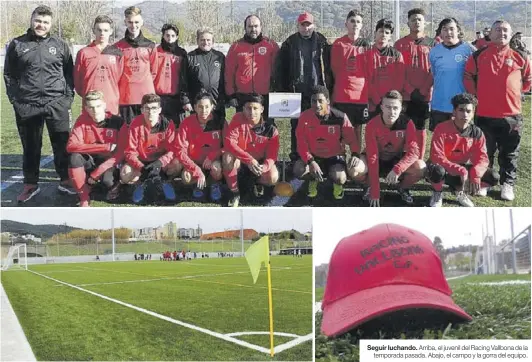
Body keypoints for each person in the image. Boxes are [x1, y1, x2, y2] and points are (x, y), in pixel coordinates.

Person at [4, 5, 75, 203]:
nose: (41, 25)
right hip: (28, 104)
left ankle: (65, 181)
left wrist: (67, 99)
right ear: (31, 20)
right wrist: (16, 101)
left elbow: (69, 73)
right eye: (38, 21)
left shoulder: (60, 45)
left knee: (62, 144)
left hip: (56, 103)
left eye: (45, 22)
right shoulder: (18, 44)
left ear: (50, 24)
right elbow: (9, 76)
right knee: (31, 146)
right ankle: (30, 184)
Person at [464, 20, 531, 201]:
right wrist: (474, 95)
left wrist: (516, 93)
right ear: (490, 34)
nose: (501, 33)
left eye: (505, 30)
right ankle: (486, 182)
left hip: (511, 115)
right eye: (498, 30)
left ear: (510, 35)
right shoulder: (479, 55)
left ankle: (507, 184)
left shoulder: (520, 56)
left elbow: (528, 80)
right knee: (485, 152)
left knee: (510, 153)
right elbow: (468, 75)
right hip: (485, 114)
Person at [274, 12, 332, 160]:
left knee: (320, 123)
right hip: (296, 92)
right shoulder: (290, 42)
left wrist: (329, 89)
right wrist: (282, 90)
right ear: (298, 26)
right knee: (297, 126)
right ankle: (296, 156)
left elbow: (330, 66)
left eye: (308, 24)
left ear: (313, 25)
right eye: (303, 25)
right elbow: (281, 68)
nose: (306, 28)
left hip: (318, 93)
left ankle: (320, 155)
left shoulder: (322, 41)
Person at [355, 90, 426, 207]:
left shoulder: (407, 123)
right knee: (355, 168)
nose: (391, 112)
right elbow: (372, 156)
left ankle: (402, 188)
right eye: (388, 107)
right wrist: (375, 191)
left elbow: (414, 153)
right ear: (382, 107)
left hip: (395, 161)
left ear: (401, 108)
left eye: (395, 108)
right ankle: (369, 186)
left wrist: (397, 169)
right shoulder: (372, 124)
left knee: (421, 167)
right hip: (376, 160)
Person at [427, 93, 495, 207]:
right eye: (461, 110)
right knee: (437, 170)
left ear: (473, 113)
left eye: (468, 111)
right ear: (454, 111)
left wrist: (476, 174)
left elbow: (482, 158)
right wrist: (460, 170)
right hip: (444, 168)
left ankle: (460, 190)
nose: (465, 114)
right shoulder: (442, 128)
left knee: (493, 176)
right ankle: (437, 193)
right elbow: (436, 156)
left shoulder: (477, 132)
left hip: (462, 169)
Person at [293, 85, 359, 200]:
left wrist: (355, 154)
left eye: (320, 101)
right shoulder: (304, 117)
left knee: (340, 178)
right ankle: (313, 180)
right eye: (314, 101)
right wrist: (310, 161)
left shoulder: (340, 117)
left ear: (327, 101)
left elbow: (352, 139)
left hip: (334, 156)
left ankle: (337, 184)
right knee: (298, 170)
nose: (317, 105)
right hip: (313, 156)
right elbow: (301, 143)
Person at [66, 91, 128, 207]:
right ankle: (84, 197)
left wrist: (96, 174)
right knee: (74, 158)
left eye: (98, 106)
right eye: (91, 107)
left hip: (109, 163)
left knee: (107, 182)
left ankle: (113, 186)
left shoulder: (117, 122)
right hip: (90, 160)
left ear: (104, 105)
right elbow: (71, 146)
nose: (95, 111)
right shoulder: (82, 121)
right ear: (86, 108)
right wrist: (105, 147)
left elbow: (121, 153)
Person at [223, 94, 280, 207]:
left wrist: (264, 167)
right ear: (243, 109)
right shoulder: (237, 118)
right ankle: (234, 192)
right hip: (242, 160)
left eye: (255, 108)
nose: (252, 112)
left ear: (262, 109)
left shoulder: (270, 128)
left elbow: (272, 155)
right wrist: (249, 160)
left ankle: (256, 183)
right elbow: (229, 143)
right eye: (248, 108)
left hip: (259, 163)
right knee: (227, 157)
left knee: (273, 177)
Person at [121, 94, 178, 203]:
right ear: (142, 110)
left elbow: (173, 150)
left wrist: (160, 163)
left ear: (160, 109)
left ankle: (164, 181)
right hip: (142, 161)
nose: (150, 112)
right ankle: (142, 182)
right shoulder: (135, 124)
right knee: (125, 174)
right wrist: (141, 167)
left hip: (160, 162)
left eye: (154, 108)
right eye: (147, 108)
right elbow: (130, 152)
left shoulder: (167, 124)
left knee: (176, 164)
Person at [395, 8, 435, 159]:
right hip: (406, 95)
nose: (416, 22)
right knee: (404, 127)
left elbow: (434, 69)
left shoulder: (432, 43)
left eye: (419, 19)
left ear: (424, 23)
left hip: (425, 95)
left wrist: (424, 90)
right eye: (413, 19)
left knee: (420, 128)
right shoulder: (400, 44)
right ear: (408, 22)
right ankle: (404, 158)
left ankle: (419, 159)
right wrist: (409, 89)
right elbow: (398, 71)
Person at [330, 10, 371, 155]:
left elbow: (369, 70)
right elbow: (334, 70)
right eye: (352, 21)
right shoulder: (338, 44)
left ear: (362, 25)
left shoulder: (366, 45)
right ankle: (340, 162)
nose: (355, 24)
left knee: (357, 129)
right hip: (342, 94)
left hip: (360, 96)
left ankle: (356, 159)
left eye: (358, 21)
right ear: (346, 23)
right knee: (341, 130)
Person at [224, 15, 278, 122]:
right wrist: (231, 94)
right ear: (245, 28)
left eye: (256, 26)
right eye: (250, 26)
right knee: (242, 129)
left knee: (266, 128)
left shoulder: (271, 45)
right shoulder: (236, 47)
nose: (253, 29)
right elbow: (229, 72)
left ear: (261, 27)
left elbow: (278, 70)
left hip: (265, 95)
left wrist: (277, 89)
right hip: (243, 96)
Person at [173, 92, 224, 201]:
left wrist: (213, 156)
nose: (204, 110)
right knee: (186, 177)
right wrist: (195, 169)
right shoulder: (186, 123)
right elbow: (179, 150)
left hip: (213, 161)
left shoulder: (220, 122)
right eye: (200, 107)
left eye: (207, 107)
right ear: (195, 107)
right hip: (194, 161)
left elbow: (228, 146)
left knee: (217, 169)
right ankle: (198, 185)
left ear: (212, 107)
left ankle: (214, 184)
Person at [429, 18, 475, 132]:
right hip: (439, 104)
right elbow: (434, 75)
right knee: (440, 143)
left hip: (461, 106)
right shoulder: (434, 52)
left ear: (458, 31)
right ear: (440, 32)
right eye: (444, 29)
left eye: (451, 29)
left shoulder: (469, 50)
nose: (448, 32)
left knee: (461, 144)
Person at [74, 15, 124, 115]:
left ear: (111, 31)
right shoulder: (84, 53)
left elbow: (120, 78)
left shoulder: (117, 53)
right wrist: (88, 95)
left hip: (111, 103)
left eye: (105, 30)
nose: (102, 33)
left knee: (111, 130)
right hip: (90, 104)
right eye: (99, 30)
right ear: (94, 30)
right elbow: (77, 81)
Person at [115, 6, 156, 124]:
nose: (133, 25)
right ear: (125, 22)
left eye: (136, 22)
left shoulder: (150, 45)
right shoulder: (118, 46)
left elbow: (154, 71)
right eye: (130, 22)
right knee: (128, 133)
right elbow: (117, 73)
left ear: (142, 22)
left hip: (146, 97)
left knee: (146, 132)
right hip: (126, 98)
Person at [366, 19, 405, 119]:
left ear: (390, 36)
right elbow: (366, 79)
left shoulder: (396, 55)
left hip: (390, 103)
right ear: (375, 33)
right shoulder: (366, 53)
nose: (383, 34)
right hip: (372, 102)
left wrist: (390, 98)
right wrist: (376, 98)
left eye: (387, 32)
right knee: (373, 130)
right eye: (381, 31)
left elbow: (400, 80)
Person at [151, 23, 189, 127]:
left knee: (177, 130)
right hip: (159, 98)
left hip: (176, 98)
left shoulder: (181, 53)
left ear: (176, 37)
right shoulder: (156, 52)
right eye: (167, 35)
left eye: (173, 36)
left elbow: (185, 77)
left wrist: (185, 99)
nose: (170, 38)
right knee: (159, 130)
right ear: (163, 36)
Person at [187, 27, 226, 121]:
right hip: (198, 104)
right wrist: (186, 101)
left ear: (213, 41)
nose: (205, 42)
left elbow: (225, 79)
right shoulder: (190, 57)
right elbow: (184, 81)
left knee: (217, 131)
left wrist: (224, 99)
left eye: (208, 40)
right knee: (198, 131)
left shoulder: (219, 56)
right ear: (197, 41)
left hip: (217, 102)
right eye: (202, 40)